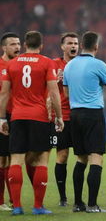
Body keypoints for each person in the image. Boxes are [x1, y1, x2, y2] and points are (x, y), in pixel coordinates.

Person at [63, 31, 106, 213]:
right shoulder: (99, 65)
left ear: (81, 45)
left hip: (74, 115)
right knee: (96, 158)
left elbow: (66, 94)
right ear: (96, 46)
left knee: (80, 158)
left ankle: (78, 204)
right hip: (93, 114)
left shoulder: (69, 66)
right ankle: (92, 205)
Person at [0, 31, 64, 215]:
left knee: (16, 160)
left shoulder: (11, 64)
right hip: (39, 117)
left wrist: (2, 118)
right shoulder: (47, 62)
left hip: (17, 117)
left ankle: (17, 206)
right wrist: (59, 117)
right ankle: (37, 206)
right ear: (41, 45)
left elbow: (4, 94)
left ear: (25, 44)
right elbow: (54, 93)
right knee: (42, 160)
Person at [51, 32, 79, 207]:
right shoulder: (53, 64)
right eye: (69, 43)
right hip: (61, 117)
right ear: (62, 47)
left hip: (79, 115)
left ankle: (79, 198)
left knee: (82, 156)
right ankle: (62, 197)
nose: (73, 46)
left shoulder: (82, 64)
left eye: (76, 43)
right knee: (62, 155)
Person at [0, 32, 21, 211]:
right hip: (3, 117)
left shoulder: (20, 65)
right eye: (13, 44)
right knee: (3, 160)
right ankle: (1, 201)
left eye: (18, 44)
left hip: (18, 116)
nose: (17, 47)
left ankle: (14, 199)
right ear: (4, 48)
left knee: (14, 158)